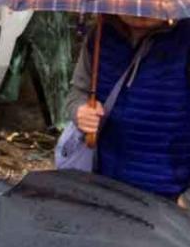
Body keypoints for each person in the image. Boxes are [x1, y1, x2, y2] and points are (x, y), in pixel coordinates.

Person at [68, 14, 190, 204]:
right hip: (102, 180)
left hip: (167, 191)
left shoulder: (184, 39)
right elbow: (77, 92)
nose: (140, 13)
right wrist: (80, 111)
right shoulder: (101, 34)